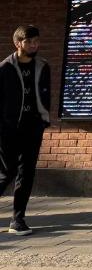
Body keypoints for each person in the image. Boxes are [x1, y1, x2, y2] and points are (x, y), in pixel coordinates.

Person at [0, 26, 51, 236]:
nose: (34, 45)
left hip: (33, 127)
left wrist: (44, 119)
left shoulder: (43, 66)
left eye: (36, 41)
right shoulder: (4, 69)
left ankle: (17, 219)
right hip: (8, 129)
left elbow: (45, 94)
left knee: (27, 173)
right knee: (7, 172)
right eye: (30, 42)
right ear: (18, 43)